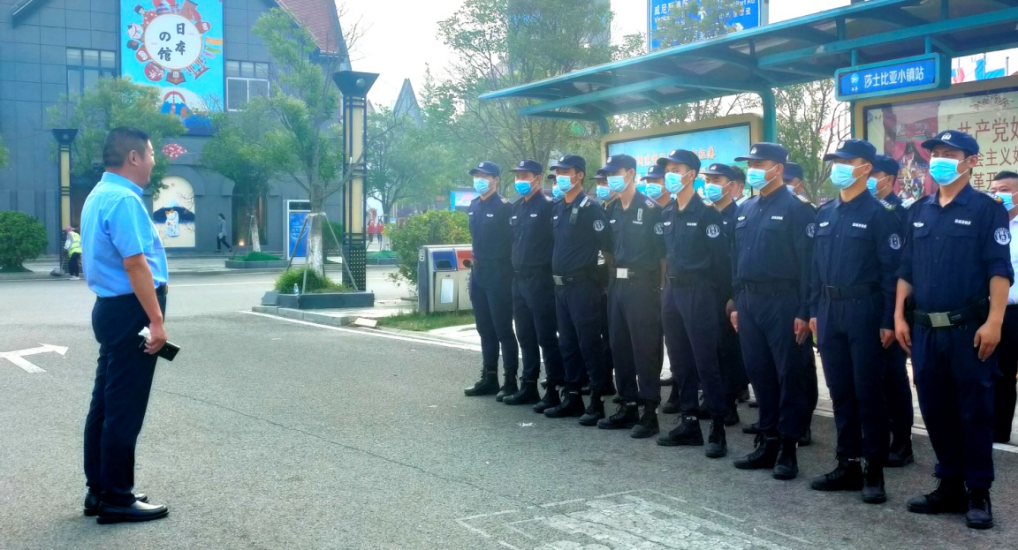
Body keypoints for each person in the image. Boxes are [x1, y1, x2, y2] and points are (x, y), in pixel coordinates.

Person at [895, 130, 1013, 530]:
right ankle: (949, 485)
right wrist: (899, 317)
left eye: (949, 153)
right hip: (926, 330)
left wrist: (994, 321)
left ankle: (978, 491)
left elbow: (999, 269)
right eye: (936, 153)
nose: (939, 160)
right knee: (935, 409)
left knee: (974, 411)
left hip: (968, 330)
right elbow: (906, 269)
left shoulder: (986, 210)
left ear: (971, 161)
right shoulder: (918, 210)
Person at [80, 127, 170, 524]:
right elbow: (135, 264)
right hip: (131, 311)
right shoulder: (124, 200)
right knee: (123, 408)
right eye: (150, 152)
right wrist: (156, 320)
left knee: (104, 403)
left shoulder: (99, 195)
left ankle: (99, 489)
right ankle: (117, 496)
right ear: (133, 157)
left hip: (110, 308)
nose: (153, 160)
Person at [808, 139, 901, 504]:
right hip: (830, 310)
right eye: (837, 161)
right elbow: (815, 269)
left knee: (868, 393)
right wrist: (814, 311)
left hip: (865, 309)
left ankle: (873, 469)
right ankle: (846, 462)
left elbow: (891, 273)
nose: (839, 167)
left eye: (847, 161)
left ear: (866, 168)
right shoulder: (825, 212)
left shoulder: (881, 214)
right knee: (841, 392)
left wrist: (888, 319)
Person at [730, 142, 814, 480]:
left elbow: (808, 265)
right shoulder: (745, 208)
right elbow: (735, 259)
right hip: (749, 302)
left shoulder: (797, 209)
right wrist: (737, 301)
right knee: (759, 373)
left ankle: (788, 448)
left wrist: (804, 310)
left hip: (783, 302)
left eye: (759, 164)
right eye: (749, 164)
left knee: (789, 375)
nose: (752, 170)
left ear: (778, 168)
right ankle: (767, 441)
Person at [654, 150, 731, 458]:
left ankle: (717, 427)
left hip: (700, 292)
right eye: (668, 169)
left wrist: (722, 299)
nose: (670, 174)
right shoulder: (667, 213)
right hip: (673, 291)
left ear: (691, 175)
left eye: (676, 169)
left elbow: (721, 262)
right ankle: (689, 423)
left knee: (705, 361)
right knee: (680, 360)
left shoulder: (707, 213)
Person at [598, 154, 666, 438]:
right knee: (619, 345)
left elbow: (663, 256)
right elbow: (608, 249)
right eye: (608, 174)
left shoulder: (650, 209)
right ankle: (627, 404)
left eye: (616, 173)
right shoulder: (612, 208)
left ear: (630, 174)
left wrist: (661, 290)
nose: (611, 178)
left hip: (643, 286)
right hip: (618, 285)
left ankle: (649, 412)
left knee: (645, 348)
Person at [544, 155, 614, 425]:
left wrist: (602, 282)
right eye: (558, 172)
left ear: (580, 175)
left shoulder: (590, 208)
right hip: (561, 287)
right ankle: (572, 397)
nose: (561, 176)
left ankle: (596, 400)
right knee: (568, 343)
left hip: (583, 285)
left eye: (566, 171)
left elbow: (607, 247)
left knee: (589, 343)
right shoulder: (558, 207)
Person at [503, 159, 564, 406]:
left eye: (525, 176)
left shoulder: (549, 207)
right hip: (519, 279)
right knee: (525, 335)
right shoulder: (516, 207)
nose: (520, 181)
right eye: (517, 176)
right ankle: (528, 385)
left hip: (540, 279)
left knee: (545, 336)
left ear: (537, 179)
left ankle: (554, 388)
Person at [869, 154, 916, 467]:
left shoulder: (900, 214)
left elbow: (899, 270)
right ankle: (877, 434)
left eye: (874, 174)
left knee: (892, 377)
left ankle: (902, 440)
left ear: (888, 178)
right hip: (861, 306)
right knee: (870, 377)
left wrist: (892, 316)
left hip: (889, 306)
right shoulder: (861, 209)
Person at [463, 161, 520, 400]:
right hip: (479, 272)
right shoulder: (474, 205)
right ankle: (489, 377)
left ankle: (510, 381)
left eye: (485, 176)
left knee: (502, 329)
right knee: (484, 329)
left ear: (495, 179)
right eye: (477, 175)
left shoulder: (505, 207)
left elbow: (514, 241)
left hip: (499, 272)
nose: (480, 179)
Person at [703, 163, 747, 426]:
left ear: (731, 186)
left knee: (728, 350)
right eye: (708, 180)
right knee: (708, 348)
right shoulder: (705, 214)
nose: (710, 185)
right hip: (703, 292)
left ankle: (729, 402)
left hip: (726, 292)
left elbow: (739, 260)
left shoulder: (739, 216)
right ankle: (711, 398)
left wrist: (733, 295)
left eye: (716, 180)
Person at [783, 161, 820, 445]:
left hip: (795, 297)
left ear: (798, 183)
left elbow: (809, 265)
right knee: (778, 367)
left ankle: (803, 421)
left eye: (788, 180)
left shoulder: (804, 210)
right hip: (768, 299)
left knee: (801, 364)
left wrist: (806, 308)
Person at [989, 171, 1018, 445]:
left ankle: (998, 432)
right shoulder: (986, 226)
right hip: (989, 312)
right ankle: (992, 430)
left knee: (1006, 373)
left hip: (1015, 312)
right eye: (995, 189)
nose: (998, 195)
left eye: (1005, 190)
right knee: (994, 372)